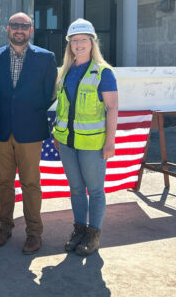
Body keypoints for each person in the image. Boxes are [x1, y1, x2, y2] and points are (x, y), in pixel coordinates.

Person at [0, 12, 57, 254]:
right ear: (7, 28)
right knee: (3, 182)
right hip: (0, 130)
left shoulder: (46, 58)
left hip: (30, 130)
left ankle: (34, 233)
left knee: (30, 183)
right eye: (15, 25)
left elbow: (51, 93)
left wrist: (29, 109)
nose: (19, 30)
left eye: (24, 26)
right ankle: (4, 227)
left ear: (31, 30)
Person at [53, 18, 118, 256]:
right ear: (69, 44)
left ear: (92, 43)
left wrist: (110, 142)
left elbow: (112, 108)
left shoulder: (103, 72)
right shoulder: (65, 72)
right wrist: (57, 135)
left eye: (83, 40)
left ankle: (93, 235)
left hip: (92, 144)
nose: (78, 44)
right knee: (77, 189)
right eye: (74, 40)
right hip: (67, 143)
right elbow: (62, 107)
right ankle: (79, 230)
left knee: (95, 190)